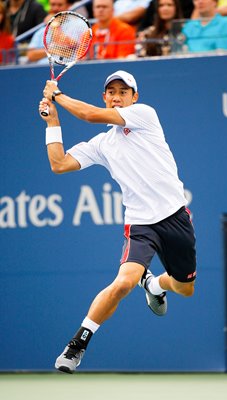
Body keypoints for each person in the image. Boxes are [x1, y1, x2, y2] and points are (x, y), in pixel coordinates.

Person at [40, 70, 197, 373]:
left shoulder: (144, 115)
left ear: (134, 97)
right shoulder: (102, 145)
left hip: (176, 218)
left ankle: (153, 283)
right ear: (105, 96)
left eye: (123, 92)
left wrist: (57, 94)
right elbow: (59, 164)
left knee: (184, 288)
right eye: (111, 92)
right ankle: (77, 344)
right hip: (140, 224)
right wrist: (53, 122)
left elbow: (88, 114)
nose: (116, 96)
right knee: (123, 283)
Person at [27, 0, 72, 64]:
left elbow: (69, 50)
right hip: (42, 69)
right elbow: (31, 55)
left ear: (68, 6)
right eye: (53, 5)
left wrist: (55, 26)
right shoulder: (41, 31)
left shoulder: (77, 25)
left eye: (60, 5)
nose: (56, 8)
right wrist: (51, 51)